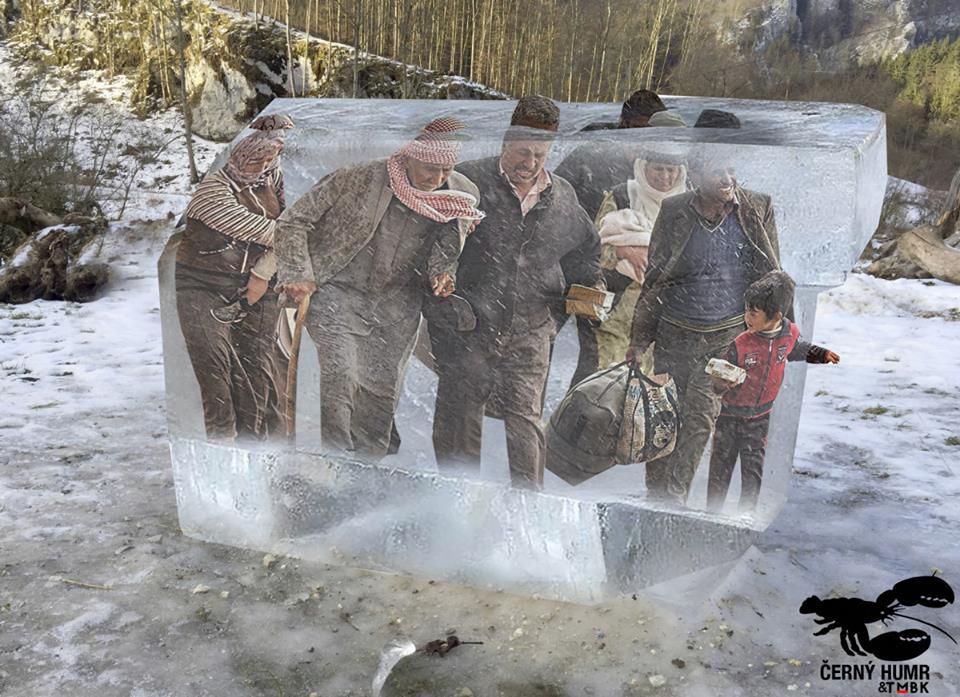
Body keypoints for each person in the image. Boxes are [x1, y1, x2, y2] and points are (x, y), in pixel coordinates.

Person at [275, 118, 483, 460]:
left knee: (381, 395)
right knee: (341, 376)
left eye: (446, 170)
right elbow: (293, 221)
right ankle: (336, 463)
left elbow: (447, 249)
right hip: (338, 292)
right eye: (430, 169)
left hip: (398, 306)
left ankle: (368, 470)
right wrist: (299, 272)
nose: (437, 179)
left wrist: (442, 274)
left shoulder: (458, 195)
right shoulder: (358, 178)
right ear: (409, 156)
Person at [430, 96, 602, 490]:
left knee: (526, 421)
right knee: (460, 417)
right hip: (470, 324)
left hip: (532, 329)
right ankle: (456, 506)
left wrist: (580, 296)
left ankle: (529, 507)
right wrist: (445, 300)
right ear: (505, 143)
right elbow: (432, 245)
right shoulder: (467, 182)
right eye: (523, 152)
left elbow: (586, 251)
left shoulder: (562, 196)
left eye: (540, 154)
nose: (530, 163)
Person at [626, 147, 785, 504]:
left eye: (731, 169)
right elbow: (655, 279)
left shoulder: (756, 207)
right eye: (717, 172)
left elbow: (772, 277)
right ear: (695, 176)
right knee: (665, 417)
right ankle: (656, 493)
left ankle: (674, 498)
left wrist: (773, 338)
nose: (728, 179)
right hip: (674, 334)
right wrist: (639, 340)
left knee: (699, 420)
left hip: (726, 337)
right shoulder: (675, 210)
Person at [175, 114, 294, 442]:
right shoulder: (212, 194)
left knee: (256, 372)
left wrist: (261, 273)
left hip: (258, 285)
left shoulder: (273, 179)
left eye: (270, 159)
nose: (263, 166)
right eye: (257, 159)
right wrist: (289, 237)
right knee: (215, 372)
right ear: (239, 156)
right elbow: (277, 232)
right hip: (203, 283)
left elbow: (288, 231)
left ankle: (254, 449)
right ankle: (221, 450)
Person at [707, 271, 839, 513]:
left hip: (759, 418)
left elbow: (798, 350)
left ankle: (746, 513)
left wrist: (822, 354)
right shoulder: (740, 344)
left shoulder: (788, 336)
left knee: (753, 467)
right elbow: (718, 379)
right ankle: (712, 511)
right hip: (729, 416)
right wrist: (721, 384)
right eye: (746, 310)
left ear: (776, 316)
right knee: (721, 466)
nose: (747, 318)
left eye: (753, 313)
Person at [592, 141, 687, 373]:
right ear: (643, 167)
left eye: (671, 170)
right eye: (658, 169)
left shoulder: (690, 202)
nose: (665, 176)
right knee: (611, 382)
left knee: (651, 390)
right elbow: (593, 248)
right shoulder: (623, 195)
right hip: (619, 313)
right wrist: (622, 251)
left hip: (668, 316)